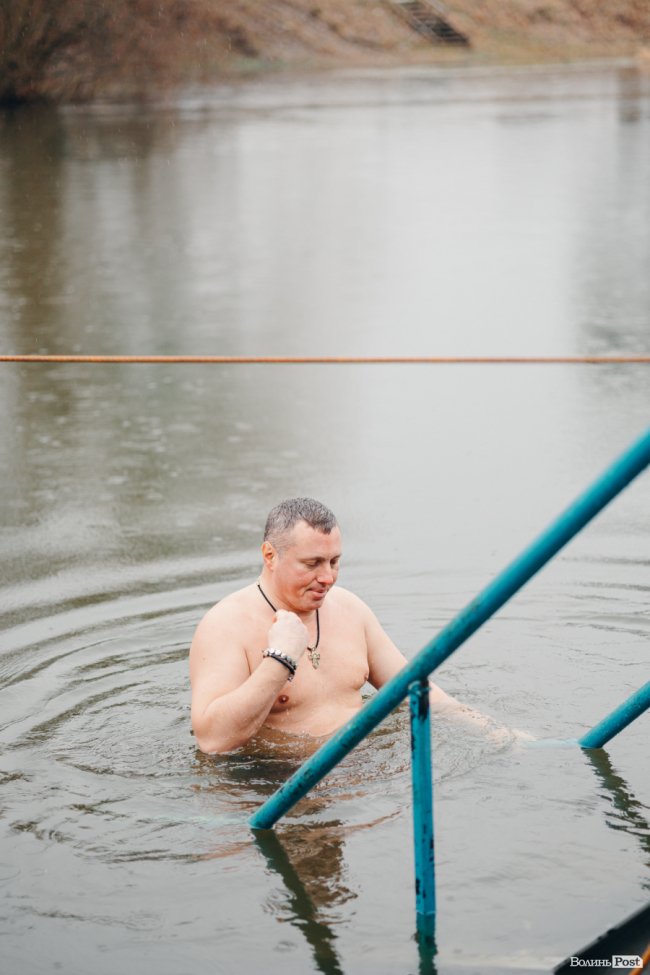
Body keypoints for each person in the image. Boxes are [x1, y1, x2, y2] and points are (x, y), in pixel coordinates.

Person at [190, 497, 517, 755]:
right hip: (279, 788)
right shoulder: (225, 626)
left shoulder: (350, 609)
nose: (328, 578)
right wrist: (279, 660)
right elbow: (213, 740)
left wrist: (490, 730)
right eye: (312, 563)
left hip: (362, 774)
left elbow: (412, 688)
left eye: (334, 562)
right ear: (270, 555)